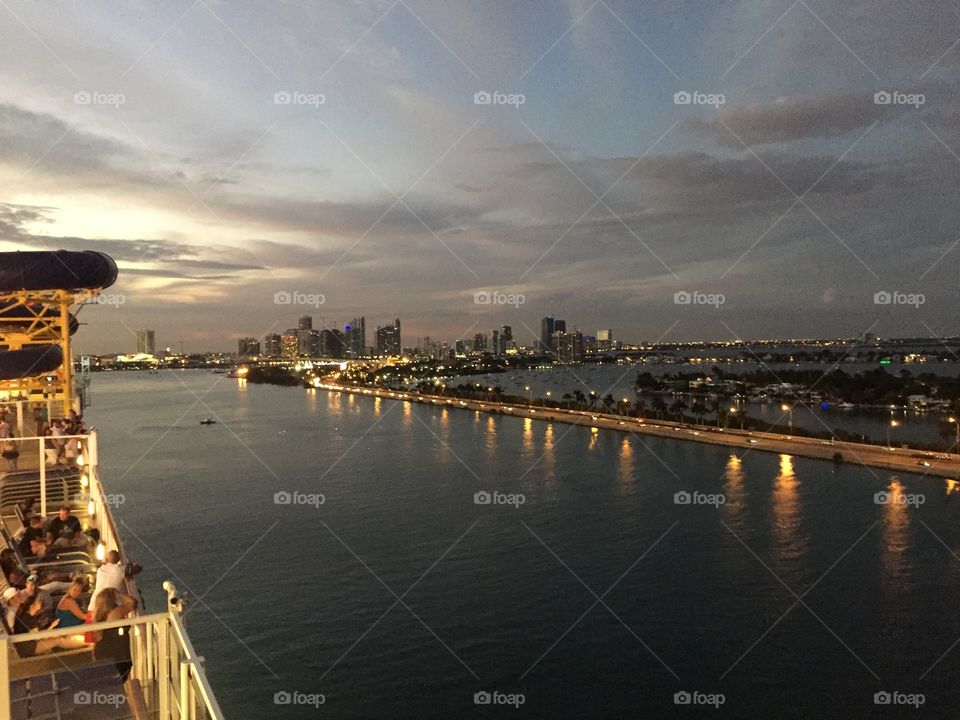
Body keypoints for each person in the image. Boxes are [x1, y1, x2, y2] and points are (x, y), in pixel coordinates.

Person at [92, 588, 136, 681]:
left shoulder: (96, 617)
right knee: (122, 676)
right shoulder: (117, 611)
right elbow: (133, 603)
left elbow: (97, 639)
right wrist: (117, 592)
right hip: (118, 652)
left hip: (101, 651)